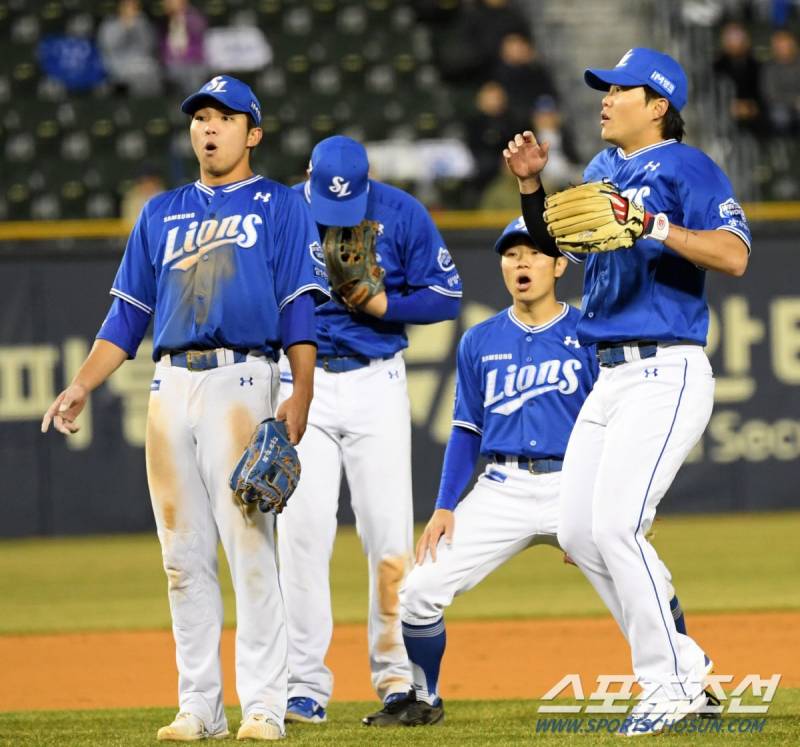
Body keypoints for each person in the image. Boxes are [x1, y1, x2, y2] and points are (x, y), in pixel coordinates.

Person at [41, 75, 328, 742]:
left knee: (250, 547)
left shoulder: (279, 205)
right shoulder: (161, 212)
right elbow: (127, 315)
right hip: (169, 385)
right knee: (182, 557)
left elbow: (299, 306)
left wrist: (301, 389)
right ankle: (199, 703)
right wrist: (83, 382)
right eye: (200, 116)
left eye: (225, 116)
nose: (209, 126)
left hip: (242, 379)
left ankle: (262, 703)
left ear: (252, 132)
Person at [505, 48, 750, 735]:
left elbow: (734, 254)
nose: (605, 98)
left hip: (665, 367)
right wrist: (531, 189)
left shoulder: (688, 167)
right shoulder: (602, 170)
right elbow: (557, 244)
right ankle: (685, 662)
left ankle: (669, 683)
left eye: (620, 89)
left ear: (659, 104)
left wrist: (655, 226)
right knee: (580, 532)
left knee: (617, 526)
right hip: (607, 373)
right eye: (604, 89)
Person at [393, 219, 696, 726]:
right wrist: (445, 504)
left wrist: (613, 504)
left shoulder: (591, 334)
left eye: (534, 253)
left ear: (560, 265)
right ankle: (425, 697)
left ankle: (689, 682)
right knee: (418, 591)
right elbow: (467, 429)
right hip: (502, 486)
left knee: (651, 583)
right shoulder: (479, 340)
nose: (521, 264)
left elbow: (620, 423)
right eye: (511, 255)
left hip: (575, 481)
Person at [276, 135, 463, 726]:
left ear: (368, 180)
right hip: (299, 379)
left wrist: (384, 306)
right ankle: (304, 682)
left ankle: (396, 677)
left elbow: (447, 295)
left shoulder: (402, 212)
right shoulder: (279, 210)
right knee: (302, 538)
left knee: (388, 541)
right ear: (308, 175)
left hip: (375, 379)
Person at [97, 0, 161, 97]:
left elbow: (148, 47)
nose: (131, 10)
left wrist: (138, 26)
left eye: (134, 7)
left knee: (152, 75)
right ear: (120, 8)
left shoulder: (143, 23)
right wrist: (124, 27)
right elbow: (109, 47)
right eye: (127, 6)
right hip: (118, 68)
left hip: (142, 68)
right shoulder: (109, 24)